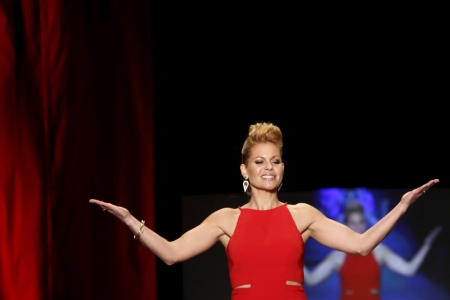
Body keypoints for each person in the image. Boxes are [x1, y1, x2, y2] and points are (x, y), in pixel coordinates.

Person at [89, 122, 439, 300]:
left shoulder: (303, 215)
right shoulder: (226, 219)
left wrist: (403, 205)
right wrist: (130, 220)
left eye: (275, 160)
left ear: (283, 168)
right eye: (259, 161)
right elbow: (171, 253)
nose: (268, 167)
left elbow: (362, 245)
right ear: (245, 170)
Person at [303, 202, 442, 299]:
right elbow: (311, 279)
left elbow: (409, 269)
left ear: (365, 224)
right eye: (353, 222)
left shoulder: (379, 251)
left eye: (360, 222)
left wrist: (426, 245)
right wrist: (292, 252)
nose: (357, 226)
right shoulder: (338, 255)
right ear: (346, 225)